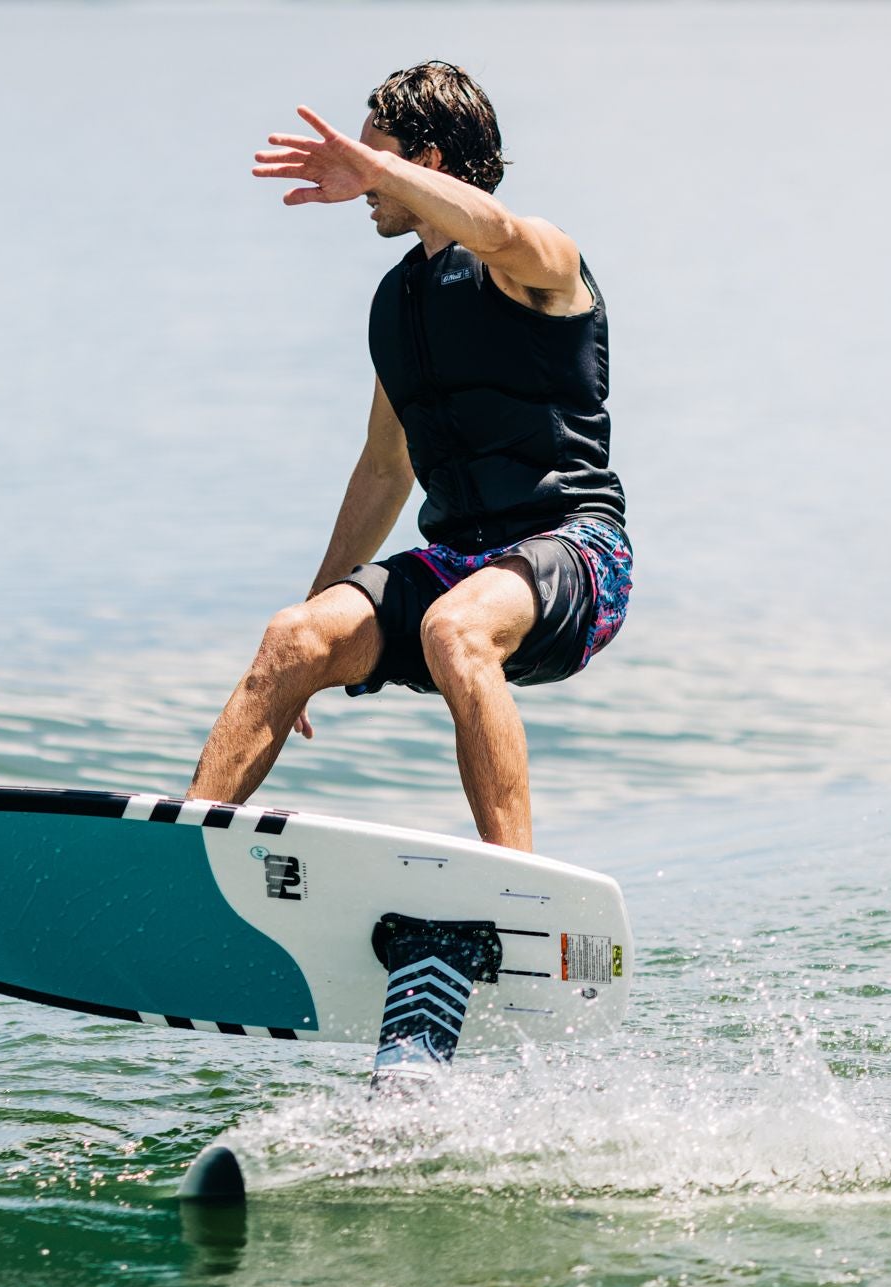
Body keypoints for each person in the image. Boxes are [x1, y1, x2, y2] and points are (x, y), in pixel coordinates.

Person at [186, 61, 632, 853]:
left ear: (425, 162)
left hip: (575, 552)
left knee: (455, 629)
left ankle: (517, 883)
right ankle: (178, 855)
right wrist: (323, 624)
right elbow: (386, 468)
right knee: (293, 636)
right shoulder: (401, 301)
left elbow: (494, 231)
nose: (362, 184)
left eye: (374, 160)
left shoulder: (542, 260)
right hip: (459, 558)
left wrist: (380, 169)